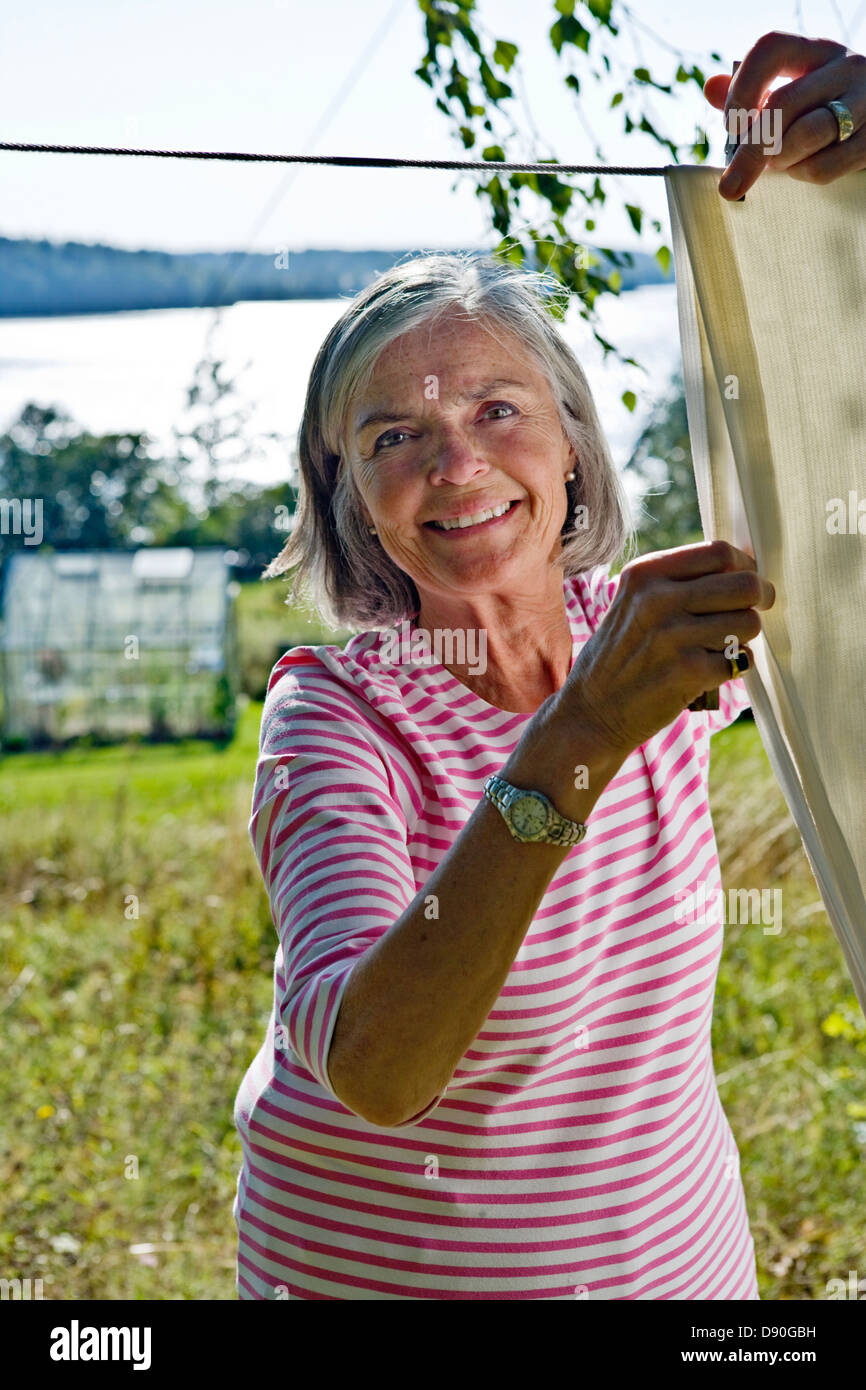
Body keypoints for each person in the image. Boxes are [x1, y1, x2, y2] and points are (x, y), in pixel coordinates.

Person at [232, 29, 865, 1299]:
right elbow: (376, 1065)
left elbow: (839, 485)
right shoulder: (336, 716)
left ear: (572, 446)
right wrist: (578, 732)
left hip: (674, 1272)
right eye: (394, 435)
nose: (454, 464)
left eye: (496, 411)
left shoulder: (654, 627)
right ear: (350, 497)